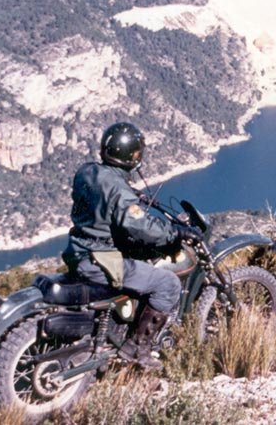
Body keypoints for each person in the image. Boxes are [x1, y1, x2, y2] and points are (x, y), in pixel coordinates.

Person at [61, 122, 189, 371]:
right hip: (101, 260)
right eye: (137, 152)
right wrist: (173, 233)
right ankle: (137, 349)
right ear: (131, 156)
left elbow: (104, 197)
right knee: (168, 284)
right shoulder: (119, 190)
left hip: (77, 251)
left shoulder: (86, 171)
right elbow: (139, 225)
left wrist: (130, 193)